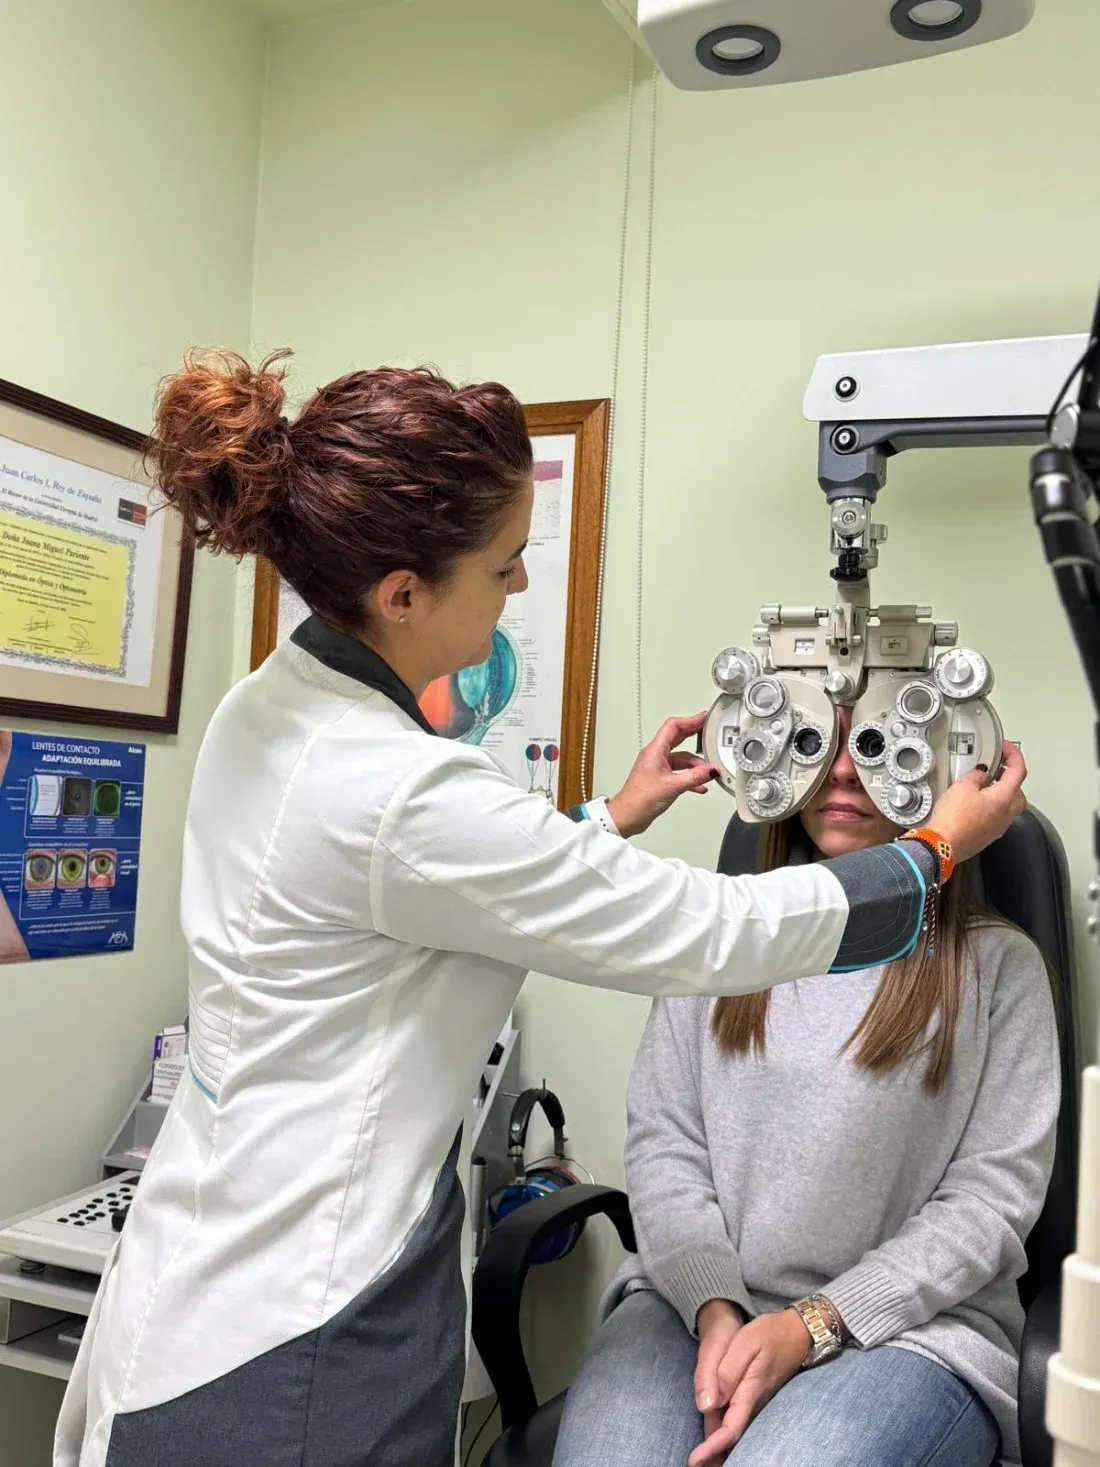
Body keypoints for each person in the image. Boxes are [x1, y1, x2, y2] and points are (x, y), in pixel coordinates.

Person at [54, 351, 1026, 1467]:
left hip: (199, 1269)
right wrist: (934, 849)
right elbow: (710, 933)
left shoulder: (266, 709)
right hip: (298, 1320)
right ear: (404, 593)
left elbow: (432, 883)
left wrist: (607, 817)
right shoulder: (399, 789)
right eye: (507, 565)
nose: (519, 588)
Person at [553, 705, 1057, 1467]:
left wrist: (811, 1323)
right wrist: (714, 1303)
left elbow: (991, 1201)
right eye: (816, 741)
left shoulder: (996, 970)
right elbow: (665, 1144)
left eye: (881, 743)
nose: (845, 770)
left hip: (911, 1328)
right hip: (694, 1303)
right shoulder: (719, 937)